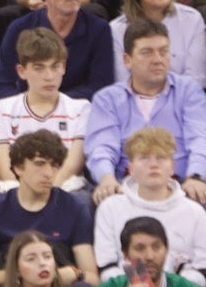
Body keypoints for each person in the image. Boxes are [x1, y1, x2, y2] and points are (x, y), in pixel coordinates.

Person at [87, 17, 206, 204]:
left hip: (183, 185)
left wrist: (196, 176)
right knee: (95, 200)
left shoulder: (188, 90)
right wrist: (106, 178)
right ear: (127, 60)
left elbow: (200, 138)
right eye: (147, 52)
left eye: (163, 52)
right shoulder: (107, 99)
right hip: (125, 186)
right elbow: (101, 146)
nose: (158, 60)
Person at [0, 130, 98, 287]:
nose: (49, 173)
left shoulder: (74, 207)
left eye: (54, 165)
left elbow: (92, 277)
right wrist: (30, 276)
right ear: (18, 168)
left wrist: (75, 273)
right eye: (40, 164)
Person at [0, 0, 116, 101]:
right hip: (27, 116)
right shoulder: (19, 29)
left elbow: (101, 87)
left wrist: (55, 105)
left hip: (79, 116)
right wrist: (32, 107)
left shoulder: (99, 29)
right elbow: (2, 86)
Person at [94, 127, 206, 282]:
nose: (154, 165)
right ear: (131, 168)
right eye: (144, 158)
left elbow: (202, 267)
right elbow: (107, 266)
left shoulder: (195, 212)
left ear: (172, 167)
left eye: (161, 157)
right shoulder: (110, 208)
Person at [0, 28, 90, 182]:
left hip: (66, 192)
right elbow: (6, 170)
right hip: (15, 192)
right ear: (22, 71)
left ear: (63, 67)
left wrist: (46, 196)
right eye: (39, 68)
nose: (49, 76)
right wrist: (26, 199)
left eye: (55, 66)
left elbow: (72, 167)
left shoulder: (82, 110)